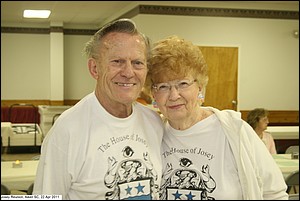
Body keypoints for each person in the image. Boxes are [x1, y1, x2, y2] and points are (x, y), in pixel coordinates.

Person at [143, 35, 288, 200]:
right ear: (153, 93)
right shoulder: (152, 135)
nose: (174, 95)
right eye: (163, 87)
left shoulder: (235, 131)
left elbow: (274, 193)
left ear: (200, 87)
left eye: (183, 84)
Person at [33, 19, 164, 200]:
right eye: (117, 61)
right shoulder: (67, 130)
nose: (128, 72)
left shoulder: (154, 122)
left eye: (137, 63)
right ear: (94, 68)